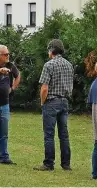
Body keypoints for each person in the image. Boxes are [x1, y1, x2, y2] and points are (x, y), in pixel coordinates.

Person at [34, 39, 74, 172]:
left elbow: (44, 88)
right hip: (64, 101)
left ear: (51, 50)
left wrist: (42, 102)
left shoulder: (49, 65)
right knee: (64, 134)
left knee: (49, 134)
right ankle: (66, 163)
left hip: (51, 101)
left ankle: (49, 163)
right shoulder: (69, 65)